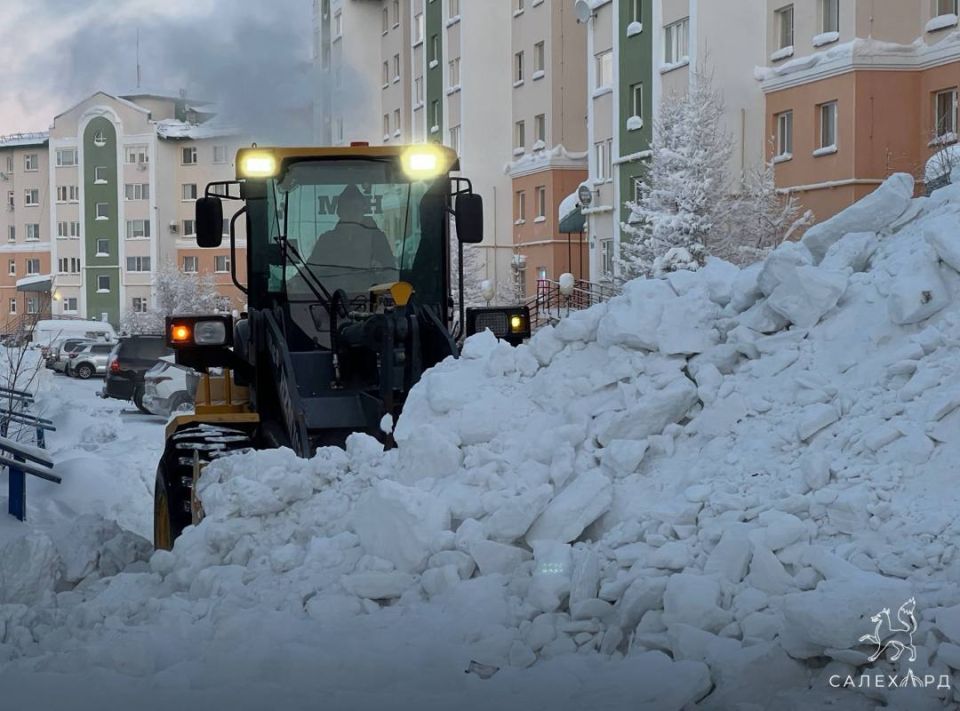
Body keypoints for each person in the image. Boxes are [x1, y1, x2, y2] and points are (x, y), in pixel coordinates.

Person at [304, 184, 396, 293]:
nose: (351, 213)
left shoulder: (377, 239)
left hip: (369, 302)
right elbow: (309, 272)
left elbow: (392, 275)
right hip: (330, 301)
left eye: (356, 209)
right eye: (347, 209)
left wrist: (380, 271)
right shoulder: (327, 241)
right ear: (339, 212)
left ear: (363, 211)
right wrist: (292, 284)